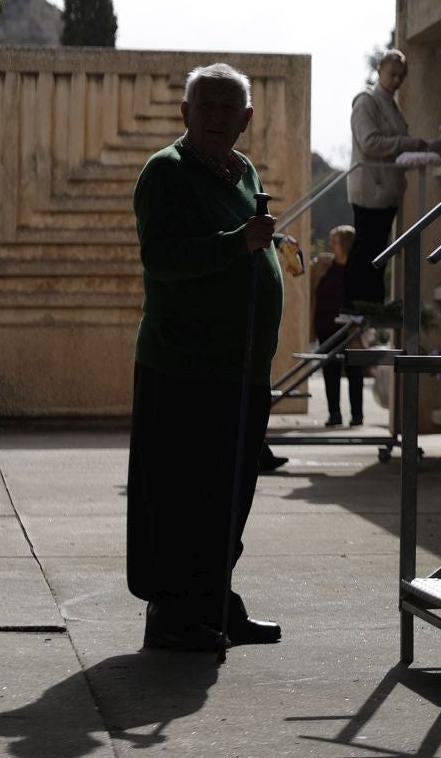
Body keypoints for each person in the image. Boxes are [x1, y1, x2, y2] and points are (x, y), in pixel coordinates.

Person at [128, 62, 287, 653]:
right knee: (180, 498)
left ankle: (217, 603)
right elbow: (164, 259)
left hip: (241, 370)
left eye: (229, 108)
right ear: (185, 114)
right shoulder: (166, 174)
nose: (217, 117)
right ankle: (172, 617)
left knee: (229, 497)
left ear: (246, 118)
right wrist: (239, 242)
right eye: (207, 106)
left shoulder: (242, 172)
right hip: (183, 369)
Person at [347, 50, 435, 309]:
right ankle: (355, 304)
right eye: (392, 74)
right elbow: (370, 142)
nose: (396, 80)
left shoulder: (392, 106)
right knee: (366, 248)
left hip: (388, 190)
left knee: (378, 250)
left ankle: (372, 303)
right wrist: (407, 143)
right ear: (379, 72)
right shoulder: (366, 102)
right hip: (370, 187)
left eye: (400, 76)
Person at [307, 225, 362, 427]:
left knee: (355, 370)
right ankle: (334, 414)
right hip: (325, 327)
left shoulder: (357, 269)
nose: (331, 244)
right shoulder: (325, 266)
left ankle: (357, 415)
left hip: (350, 329)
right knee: (330, 372)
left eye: (335, 241)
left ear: (345, 244)